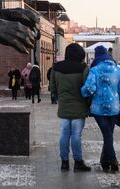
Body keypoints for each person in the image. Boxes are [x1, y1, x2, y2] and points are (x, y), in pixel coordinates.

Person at [81, 45, 120, 172]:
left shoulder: (94, 70)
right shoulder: (117, 70)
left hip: (98, 109)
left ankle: (112, 160)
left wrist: (83, 92)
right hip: (114, 108)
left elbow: (89, 88)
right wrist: (118, 99)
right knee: (108, 134)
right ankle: (105, 161)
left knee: (107, 135)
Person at [50, 43, 91, 172]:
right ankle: (78, 162)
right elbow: (87, 89)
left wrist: (60, 96)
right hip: (79, 107)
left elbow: (52, 88)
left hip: (63, 106)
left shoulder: (56, 68)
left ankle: (64, 162)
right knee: (76, 135)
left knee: (64, 135)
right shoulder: (83, 68)